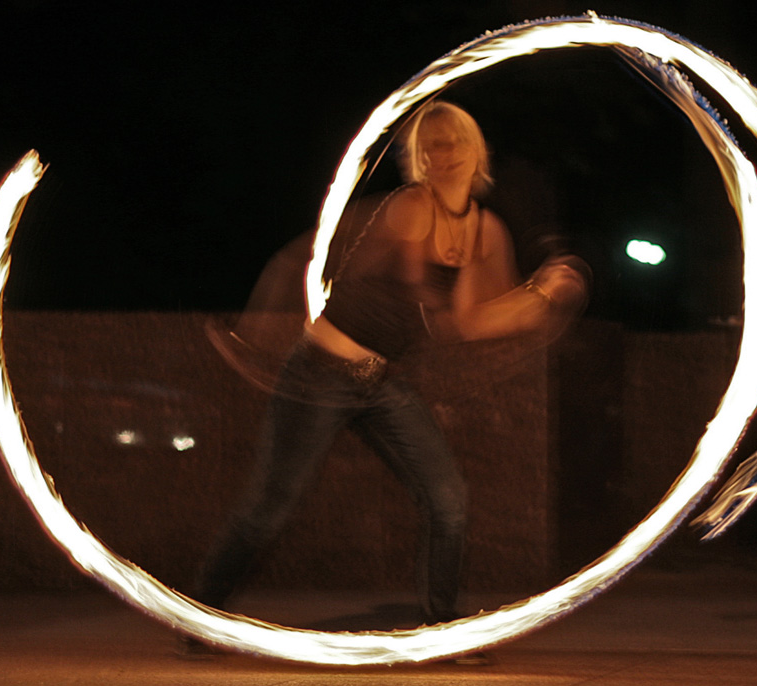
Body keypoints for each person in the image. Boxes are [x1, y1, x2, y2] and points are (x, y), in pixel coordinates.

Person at [184, 101, 589, 653]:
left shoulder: (486, 230)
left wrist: (544, 295)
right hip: (321, 371)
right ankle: (200, 616)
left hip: (380, 381)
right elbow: (432, 309)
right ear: (420, 158)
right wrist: (533, 298)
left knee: (448, 498)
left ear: (476, 152)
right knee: (269, 506)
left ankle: (440, 626)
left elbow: (472, 322)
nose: (443, 154)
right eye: (431, 145)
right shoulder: (411, 208)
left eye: (454, 142)